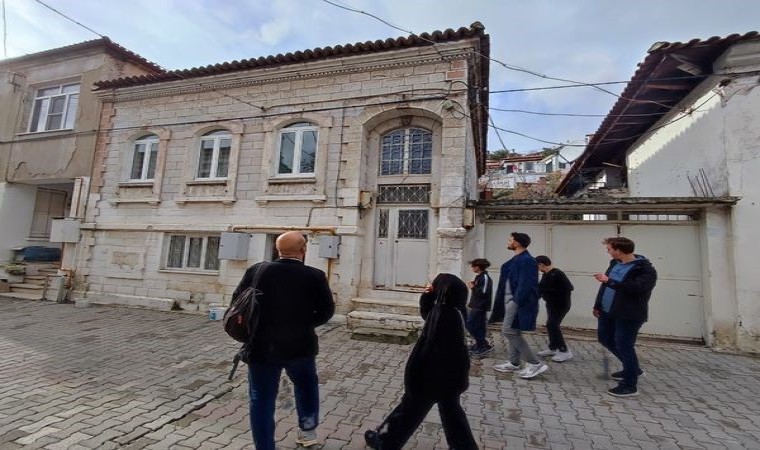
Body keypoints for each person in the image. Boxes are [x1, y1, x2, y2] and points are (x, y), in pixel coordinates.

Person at [232, 231, 335, 449]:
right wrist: (303, 325)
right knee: (306, 388)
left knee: (261, 399)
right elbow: (327, 311)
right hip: (301, 347)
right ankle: (307, 433)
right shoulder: (315, 276)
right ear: (303, 250)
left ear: (277, 250)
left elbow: (237, 303)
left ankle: (264, 446)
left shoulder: (257, 271)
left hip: (261, 347)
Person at [364, 273, 478, 450]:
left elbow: (429, 348)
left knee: (408, 412)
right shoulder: (455, 309)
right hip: (451, 377)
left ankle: (384, 442)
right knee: (452, 415)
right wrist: (428, 296)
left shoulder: (443, 315)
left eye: (435, 286)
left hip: (432, 377)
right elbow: (427, 314)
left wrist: (414, 376)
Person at [593, 237, 657, 398]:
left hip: (628, 314)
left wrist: (610, 281)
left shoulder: (645, 270)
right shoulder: (615, 263)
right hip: (607, 311)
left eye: (609, 249)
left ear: (618, 250)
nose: (607, 251)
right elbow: (605, 286)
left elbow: (636, 288)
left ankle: (629, 385)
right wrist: (597, 304)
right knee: (605, 338)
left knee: (625, 346)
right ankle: (632, 369)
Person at [493, 232, 548, 379]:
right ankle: (514, 362)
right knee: (513, 330)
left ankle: (535, 363)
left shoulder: (527, 260)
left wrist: (516, 301)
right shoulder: (518, 259)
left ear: (516, 243)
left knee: (508, 331)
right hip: (511, 300)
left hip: (518, 301)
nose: (508, 242)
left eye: (510, 240)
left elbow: (527, 284)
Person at [535, 255, 575, 362]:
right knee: (550, 325)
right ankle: (553, 348)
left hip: (560, 305)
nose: (536, 269)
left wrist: (551, 292)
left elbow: (569, 287)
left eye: (536, 266)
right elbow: (540, 289)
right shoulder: (546, 274)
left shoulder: (557, 274)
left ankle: (564, 351)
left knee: (553, 325)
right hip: (551, 304)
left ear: (541, 264)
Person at [466, 258, 494, 357]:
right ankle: (482, 344)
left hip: (480, 306)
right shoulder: (479, 277)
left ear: (478, 267)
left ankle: (482, 344)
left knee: (471, 325)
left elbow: (483, 293)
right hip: (476, 305)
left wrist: (473, 287)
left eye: (473, 266)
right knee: (479, 326)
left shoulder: (485, 277)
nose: (472, 268)